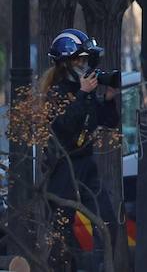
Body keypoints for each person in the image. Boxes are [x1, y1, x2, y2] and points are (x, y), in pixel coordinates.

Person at [39, 29, 119, 272]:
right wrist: (83, 94)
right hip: (62, 168)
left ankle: (100, 267)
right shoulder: (56, 93)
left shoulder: (85, 91)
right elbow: (64, 127)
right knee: (61, 233)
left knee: (107, 222)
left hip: (86, 166)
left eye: (86, 60)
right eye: (79, 60)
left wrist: (107, 99)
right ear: (66, 63)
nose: (84, 65)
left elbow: (107, 122)